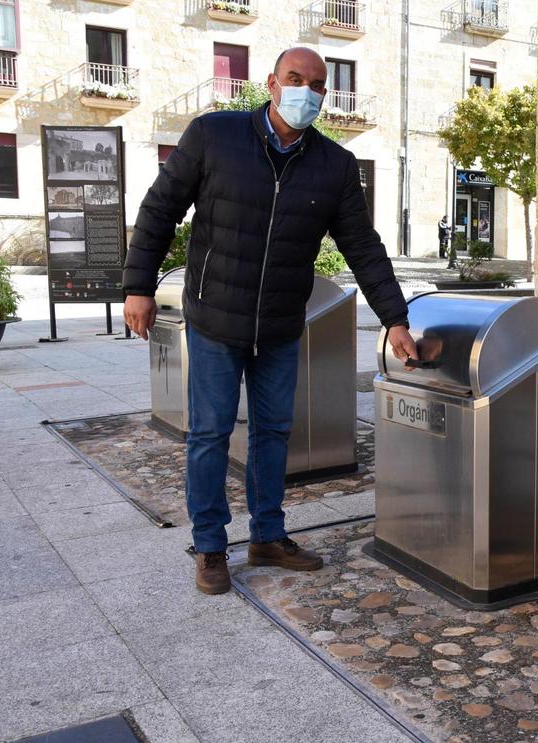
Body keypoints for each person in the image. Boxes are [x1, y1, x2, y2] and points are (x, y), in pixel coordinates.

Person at [122, 47, 419, 596]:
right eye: (293, 78)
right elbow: (160, 208)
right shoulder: (214, 135)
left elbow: (363, 247)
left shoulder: (333, 165)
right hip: (215, 317)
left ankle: (267, 534)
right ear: (271, 83)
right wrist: (138, 285)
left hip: (280, 324)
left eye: (315, 83)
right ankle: (210, 545)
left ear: (324, 93)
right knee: (210, 434)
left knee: (273, 433)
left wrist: (394, 318)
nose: (304, 89)